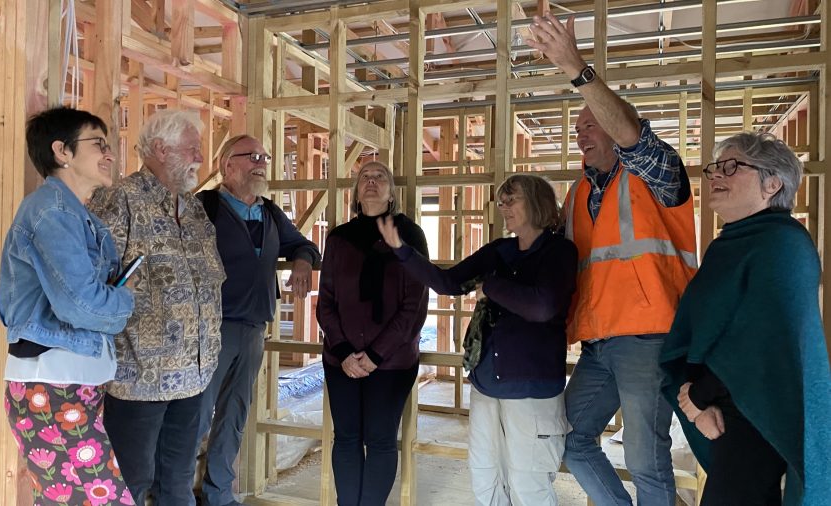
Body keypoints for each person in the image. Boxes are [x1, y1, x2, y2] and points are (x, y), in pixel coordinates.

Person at [526, 13, 698, 505]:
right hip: (598, 342)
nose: (582, 133)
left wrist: (575, 66)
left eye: (592, 122)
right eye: (577, 127)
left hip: (648, 337)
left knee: (646, 461)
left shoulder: (656, 173)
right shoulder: (577, 193)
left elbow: (635, 139)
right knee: (573, 443)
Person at [379, 173, 576, 505]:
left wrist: (491, 288)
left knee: (528, 482)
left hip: (531, 388)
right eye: (501, 202)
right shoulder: (501, 250)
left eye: (511, 200)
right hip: (488, 382)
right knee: (485, 473)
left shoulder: (559, 252)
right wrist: (402, 251)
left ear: (536, 202)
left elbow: (542, 306)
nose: (503, 207)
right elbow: (449, 283)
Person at [660, 132, 831, 506]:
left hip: (758, 411)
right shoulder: (733, 243)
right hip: (727, 407)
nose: (716, 175)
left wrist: (700, 395)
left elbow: (765, 342)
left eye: (732, 166)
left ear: (772, 184)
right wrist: (696, 397)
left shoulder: (783, 244)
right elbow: (713, 327)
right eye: (715, 168)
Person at [0, 106, 136, 505]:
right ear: (62, 151)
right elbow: (82, 306)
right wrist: (124, 301)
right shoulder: (52, 212)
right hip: (52, 385)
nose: (110, 154)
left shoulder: (74, 214)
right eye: (99, 144)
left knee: (66, 499)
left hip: (67, 382)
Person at [88, 110, 226, 506]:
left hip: (195, 375)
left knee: (178, 482)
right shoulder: (120, 199)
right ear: (161, 150)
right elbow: (96, 280)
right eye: (192, 149)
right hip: (139, 377)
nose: (200, 158)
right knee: (130, 482)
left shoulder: (195, 209)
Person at [196, 135, 321, 506]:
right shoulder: (205, 207)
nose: (261, 162)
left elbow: (305, 244)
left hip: (253, 328)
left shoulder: (268, 212)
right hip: (210, 328)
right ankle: (174, 494)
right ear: (227, 165)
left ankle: (218, 495)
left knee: (234, 416)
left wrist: (301, 260)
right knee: (197, 417)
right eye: (252, 156)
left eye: (264, 156)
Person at [316, 161, 429, 506]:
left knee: (380, 439)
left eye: (380, 177)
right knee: (346, 438)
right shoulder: (339, 238)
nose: (372, 181)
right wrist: (346, 351)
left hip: (391, 363)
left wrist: (376, 355)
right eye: (365, 176)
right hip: (342, 360)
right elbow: (326, 303)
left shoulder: (409, 235)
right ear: (355, 191)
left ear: (392, 193)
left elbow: (414, 305)